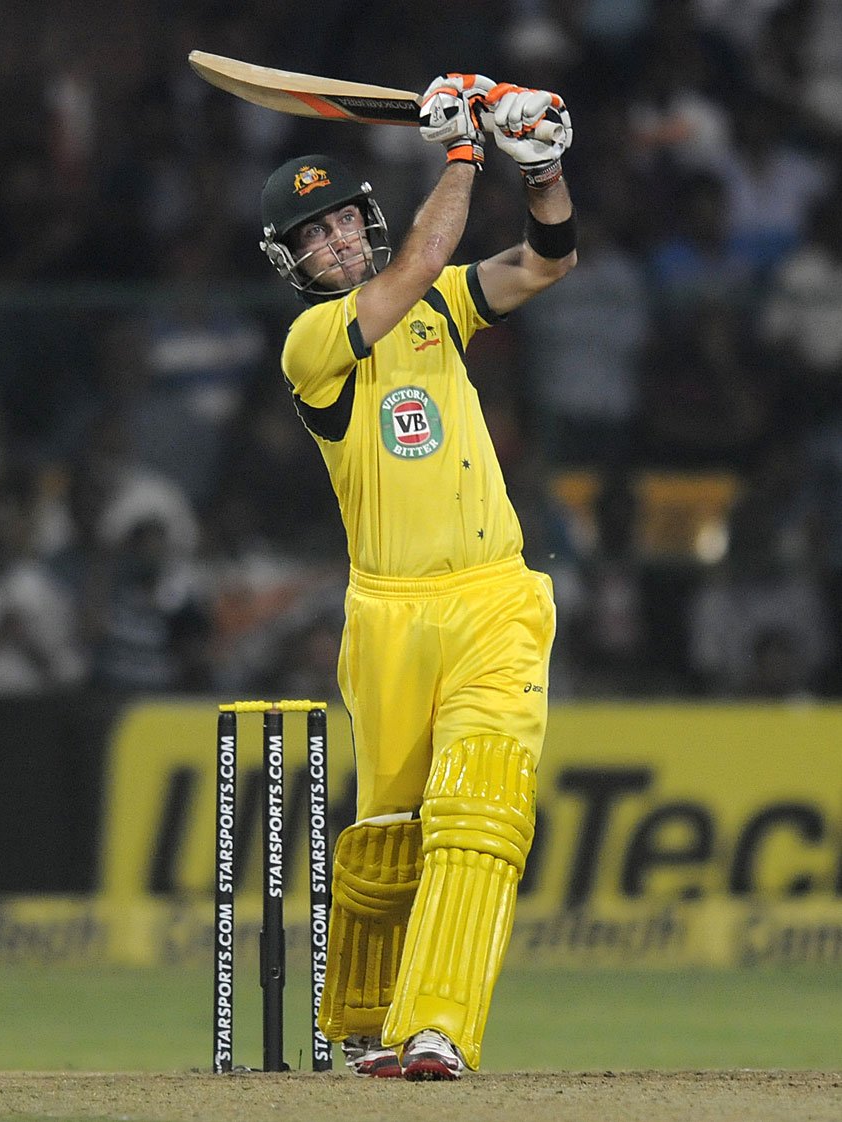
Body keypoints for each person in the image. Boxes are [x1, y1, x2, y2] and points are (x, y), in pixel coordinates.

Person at [257, 73, 577, 1080]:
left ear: (369, 217)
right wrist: (462, 150)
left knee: (478, 816)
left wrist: (543, 168)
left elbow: (546, 263)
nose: (342, 240)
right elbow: (429, 253)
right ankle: (366, 1022)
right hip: (386, 618)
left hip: (494, 598)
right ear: (292, 262)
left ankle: (438, 1028)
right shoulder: (314, 346)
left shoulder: (440, 301)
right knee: (388, 838)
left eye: (347, 217)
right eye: (317, 234)